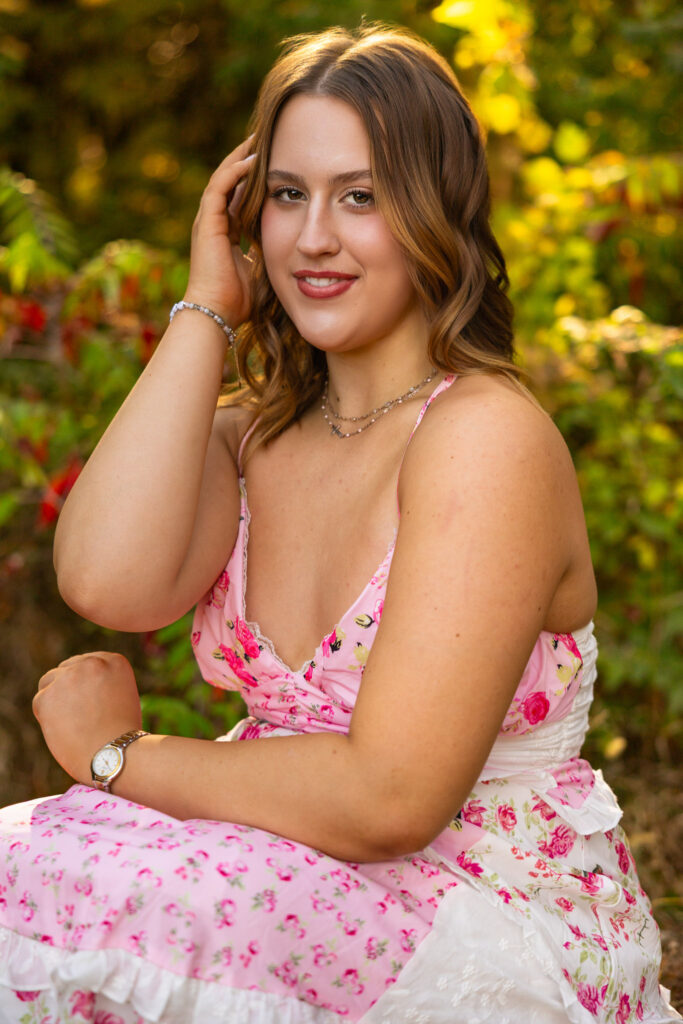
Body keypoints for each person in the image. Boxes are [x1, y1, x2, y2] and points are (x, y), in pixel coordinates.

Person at [0, 23, 678, 1024]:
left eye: (358, 196)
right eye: (286, 195)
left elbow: (388, 798)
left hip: (482, 915)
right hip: (284, 872)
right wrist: (205, 304)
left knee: (139, 898)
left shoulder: (484, 436)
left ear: (430, 211)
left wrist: (117, 757)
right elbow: (104, 580)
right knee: (25, 863)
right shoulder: (252, 436)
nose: (312, 237)